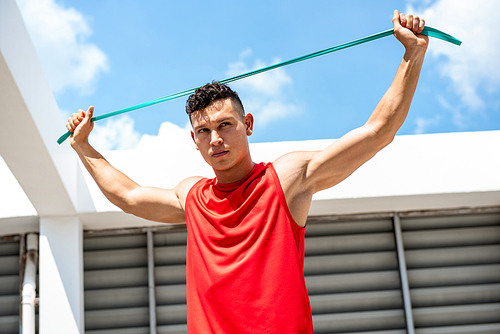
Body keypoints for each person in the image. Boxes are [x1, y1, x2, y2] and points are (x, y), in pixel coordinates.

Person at [66, 10, 428, 334]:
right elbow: (128, 196)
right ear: (194, 139)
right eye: (204, 132)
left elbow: (378, 131)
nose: (216, 139)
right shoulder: (192, 196)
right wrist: (83, 146)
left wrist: (412, 55)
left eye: (225, 125)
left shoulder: (287, 179)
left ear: (248, 124)